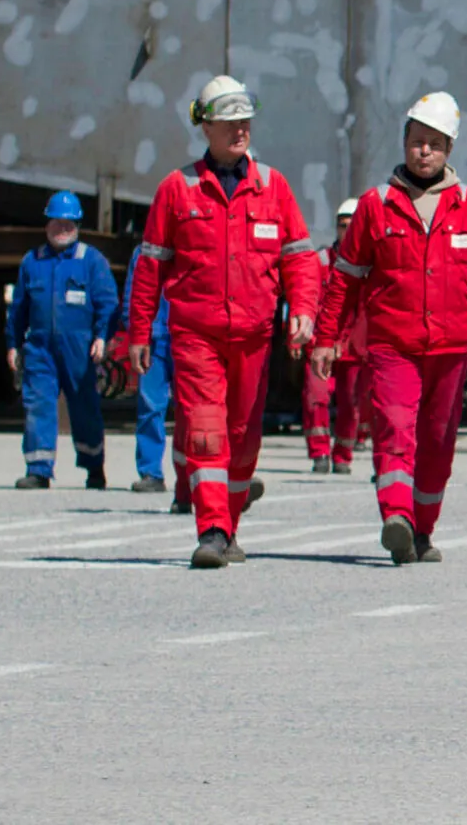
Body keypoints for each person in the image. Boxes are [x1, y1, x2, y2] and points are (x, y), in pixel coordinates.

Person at [121, 75, 322, 569]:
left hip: (254, 335)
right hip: (196, 334)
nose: (240, 131)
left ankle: (228, 522)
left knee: (243, 436)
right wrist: (139, 332)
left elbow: (298, 257)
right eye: (229, 123)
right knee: (207, 429)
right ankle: (210, 529)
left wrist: (303, 309)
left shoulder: (272, 186)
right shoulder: (177, 189)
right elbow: (151, 266)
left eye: (245, 122)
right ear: (205, 127)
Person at [311, 92, 467, 567]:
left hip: (449, 349)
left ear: (449, 150)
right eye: (417, 142)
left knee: (438, 443)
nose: (424, 152)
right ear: (404, 142)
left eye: (435, 144)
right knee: (394, 429)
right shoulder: (375, 206)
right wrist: (327, 337)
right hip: (392, 346)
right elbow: (343, 278)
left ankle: (421, 531)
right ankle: (396, 517)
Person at [8, 190, 121, 490]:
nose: (62, 229)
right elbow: (18, 308)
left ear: (78, 226)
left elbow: (108, 303)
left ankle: (94, 466)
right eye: (57, 223)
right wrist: (12, 344)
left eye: (68, 224)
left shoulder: (91, 261)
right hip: (40, 349)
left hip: (79, 349)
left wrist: (102, 336)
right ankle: (38, 469)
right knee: (38, 405)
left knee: (84, 407)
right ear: (47, 225)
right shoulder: (32, 262)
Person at [302, 199, 372, 477]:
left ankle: (343, 454)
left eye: (353, 226)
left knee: (352, 402)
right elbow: (305, 300)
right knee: (315, 397)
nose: (348, 231)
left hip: (356, 347)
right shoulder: (319, 262)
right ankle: (319, 453)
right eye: (343, 226)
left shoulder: (372, 265)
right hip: (321, 343)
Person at [116, 256, 179, 502]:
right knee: (150, 406)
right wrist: (135, 331)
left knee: (193, 409)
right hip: (153, 339)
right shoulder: (143, 251)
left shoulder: (197, 239)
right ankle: (150, 473)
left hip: (189, 335)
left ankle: (193, 475)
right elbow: (134, 292)